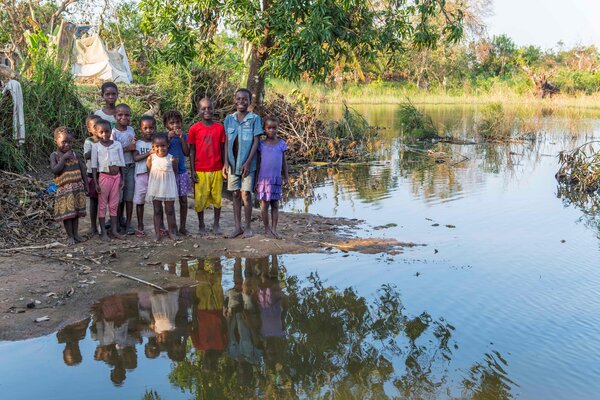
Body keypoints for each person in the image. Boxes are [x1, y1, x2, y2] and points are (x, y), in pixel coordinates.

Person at [223, 88, 263, 238]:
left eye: (245, 99)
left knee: (246, 194)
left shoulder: (254, 119)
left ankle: (247, 227)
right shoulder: (229, 119)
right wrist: (225, 161)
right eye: (239, 99)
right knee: (235, 194)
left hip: (248, 164)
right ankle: (237, 227)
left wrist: (248, 162)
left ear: (249, 102)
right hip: (232, 164)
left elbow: (256, 142)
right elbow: (226, 141)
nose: (241, 102)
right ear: (235, 100)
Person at [188, 97, 226, 235]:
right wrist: (192, 170)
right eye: (203, 108)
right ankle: (201, 225)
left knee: (217, 198)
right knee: (199, 199)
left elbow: (223, 149)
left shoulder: (220, 128)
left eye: (210, 108)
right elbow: (192, 151)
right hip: (200, 170)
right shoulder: (194, 129)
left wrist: (225, 166)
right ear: (198, 111)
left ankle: (216, 224)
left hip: (216, 168)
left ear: (214, 109)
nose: (207, 111)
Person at [50, 127, 88, 245]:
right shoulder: (55, 155)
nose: (67, 144)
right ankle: (70, 236)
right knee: (67, 214)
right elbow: (55, 170)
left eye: (69, 142)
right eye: (63, 142)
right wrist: (64, 158)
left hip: (77, 188)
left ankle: (76, 234)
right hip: (64, 191)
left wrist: (86, 184)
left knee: (75, 213)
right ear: (56, 141)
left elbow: (82, 169)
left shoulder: (75, 154)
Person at [92, 119, 125, 241]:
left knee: (114, 204)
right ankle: (103, 232)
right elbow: (94, 166)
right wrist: (96, 182)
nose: (105, 134)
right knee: (102, 205)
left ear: (111, 131)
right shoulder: (96, 147)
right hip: (104, 178)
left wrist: (123, 179)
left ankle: (115, 230)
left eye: (107, 131)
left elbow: (122, 163)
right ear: (96, 133)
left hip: (116, 178)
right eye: (101, 132)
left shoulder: (117, 145)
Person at [256, 116, 289, 239]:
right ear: (264, 129)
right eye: (268, 128)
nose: (271, 130)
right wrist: (256, 181)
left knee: (275, 205)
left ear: (278, 129)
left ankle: (274, 229)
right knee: (264, 205)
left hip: (276, 179)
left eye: (274, 128)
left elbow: (284, 163)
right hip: (263, 180)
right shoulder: (261, 145)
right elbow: (258, 163)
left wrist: (286, 177)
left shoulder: (281, 144)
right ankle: (266, 229)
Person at [163, 110, 191, 235]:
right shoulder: (164, 137)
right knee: (170, 202)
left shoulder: (184, 136)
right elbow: (162, 152)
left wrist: (181, 139)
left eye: (178, 122)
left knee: (183, 200)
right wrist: (168, 139)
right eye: (172, 123)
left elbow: (186, 153)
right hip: (168, 173)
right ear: (166, 125)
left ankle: (183, 226)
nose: (175, 125)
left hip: (181, 172)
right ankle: (172, 226)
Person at [146, 133, 178, 241]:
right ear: (153, 147)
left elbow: (175, 172)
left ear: (168, 145)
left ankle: (171, 232)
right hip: (156, 187)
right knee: (157, 210)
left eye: (163, 145)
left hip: (168, 187)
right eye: (157, 146)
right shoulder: (151, 158)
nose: (160, 148)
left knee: (169, 210)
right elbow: (149, 171)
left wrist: (174, 163)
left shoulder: (171, 158)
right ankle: (157, 233)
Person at [112, 103, 137, 235]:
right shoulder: (113, 133)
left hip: (131, 166)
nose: (124, 117)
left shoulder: (131, 130)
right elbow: (111, 151)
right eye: (120, 115)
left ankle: (128, 224)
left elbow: (134, 146)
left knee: (129, 196)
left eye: (127, 115)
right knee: (118, 197)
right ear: (115, 116)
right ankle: (116, 225)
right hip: (118, 169)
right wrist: (128, 148)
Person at [132, 115, 156, 237]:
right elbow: (135, 158)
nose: (148, 130)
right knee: (140, 201)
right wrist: (149, 153)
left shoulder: (157, 142)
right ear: (140, 129)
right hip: (141, 175)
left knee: (157, 201)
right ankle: (140, 225)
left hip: (155, 176)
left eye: (151, 128)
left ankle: (160, 225)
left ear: (155, 128)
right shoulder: (138, 143)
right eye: (145, 128)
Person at [83, 114, 102, 236]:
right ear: (89, 129)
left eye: (98, 125)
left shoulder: (106, 141)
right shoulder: (89, 141)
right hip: (91, 174)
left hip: (104, 174)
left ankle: (102, 226)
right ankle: (93, 226)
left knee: (103, 201)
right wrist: (99, 148)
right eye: (94, 126)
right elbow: (86, 155)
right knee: (94, 201)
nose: (97, 128)